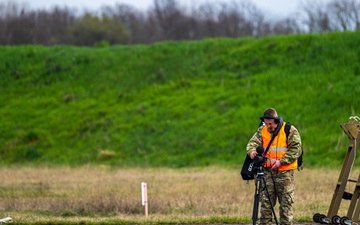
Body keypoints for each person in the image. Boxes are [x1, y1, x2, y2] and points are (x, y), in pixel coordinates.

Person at [246, 108, 302, 225]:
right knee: (266, 204)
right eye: (266, 123)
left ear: (276, 121)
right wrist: (252, 151)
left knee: (286, 204)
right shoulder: (262, 130)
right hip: (267, 172)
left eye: (270, 123)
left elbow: (296, 150)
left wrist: (281, 162)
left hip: (284, 173)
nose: (268, 126)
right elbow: (252, 143)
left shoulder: (289, 130)